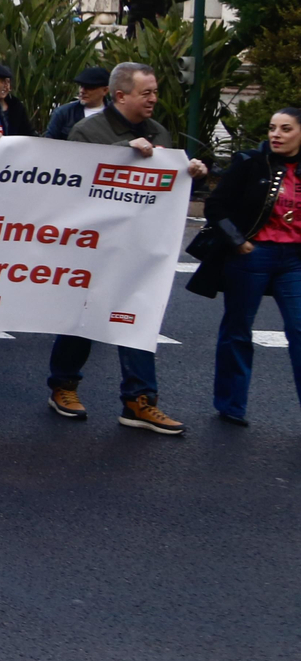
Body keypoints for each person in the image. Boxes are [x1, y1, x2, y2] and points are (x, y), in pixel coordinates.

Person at [48, 63, 207, 434]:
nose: (154, 99)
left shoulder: (157, 131)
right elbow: (72, 183)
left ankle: (139, 401)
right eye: (146, 93)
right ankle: (64, 386)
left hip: (138, 246)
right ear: (121, 96)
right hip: (94, 246)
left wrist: (189, 172)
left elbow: (162, 188)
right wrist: (122, 151)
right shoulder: (87, 131)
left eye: (154, 92)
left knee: (138, 318)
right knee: (82, 318)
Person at [197, 106, 301, 425]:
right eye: (272, 128)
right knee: (238, 330)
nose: (276, 135)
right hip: (252, 254)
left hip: (294, 259)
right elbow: (215, 205)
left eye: (285, 129)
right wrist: (238, 241)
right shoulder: (250, 162)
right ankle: (231, 404)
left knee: (299, 329)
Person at [44, 66, 112, 141]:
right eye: (81, 86)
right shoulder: (63, 113)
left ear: (105, 90)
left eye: (89, 87)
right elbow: (49, 142)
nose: (82, 91)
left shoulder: (115, 114)